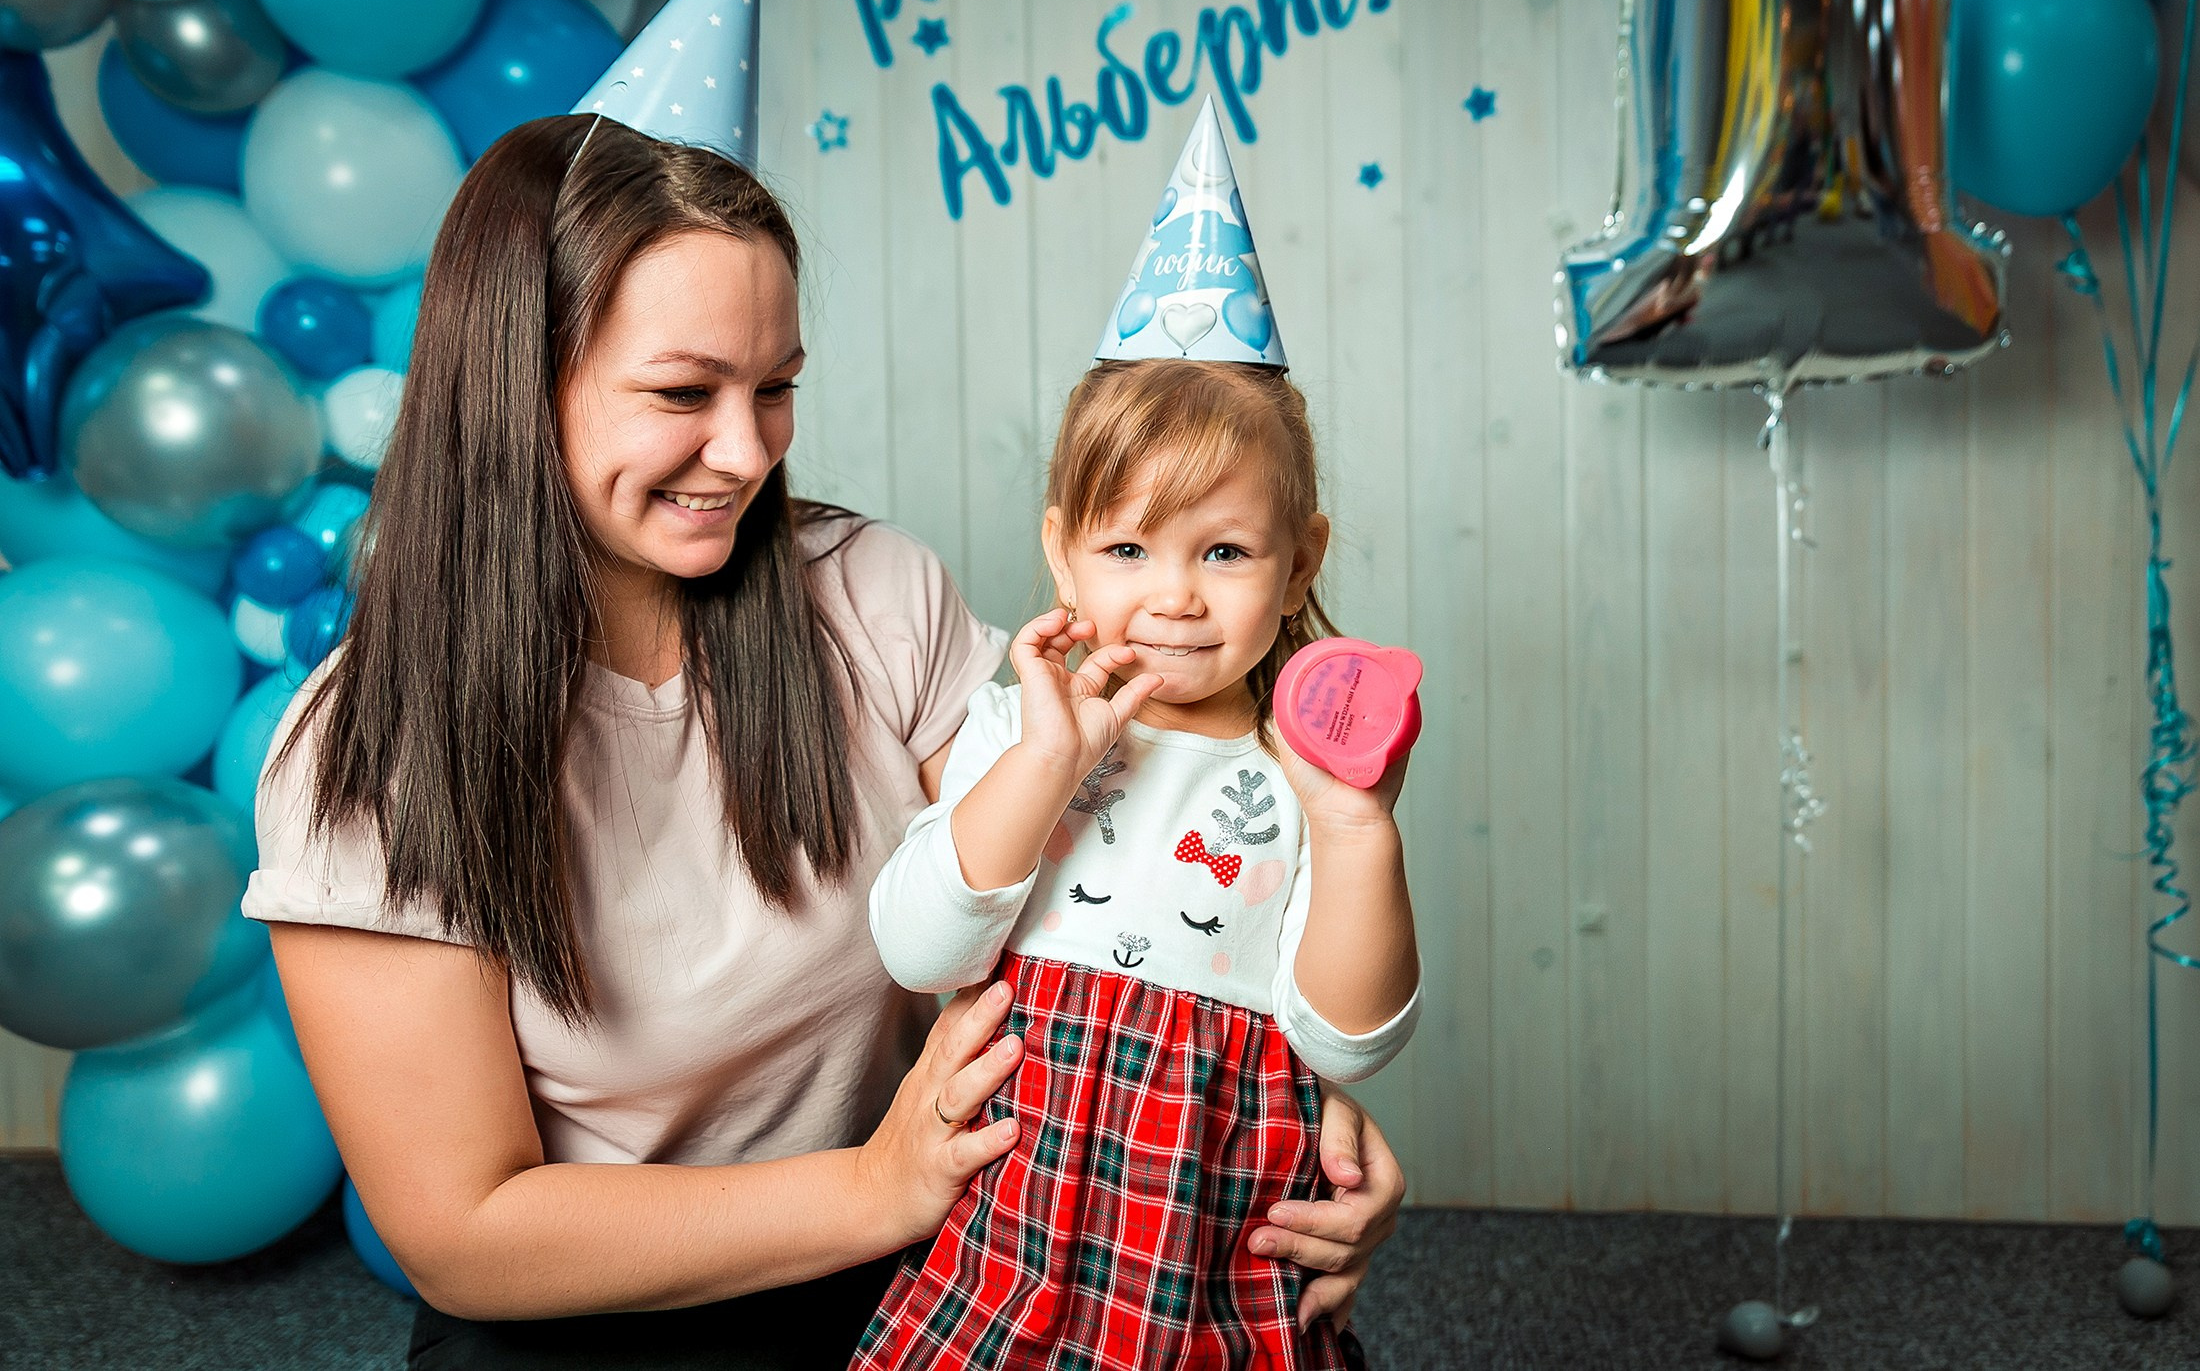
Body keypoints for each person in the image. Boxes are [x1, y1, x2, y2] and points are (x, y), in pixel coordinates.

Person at [243, 104, 1403, 1371]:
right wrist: (870, 1186)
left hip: (946, 1244)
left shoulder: (869, 588)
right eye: (683, 391)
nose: (745, 452)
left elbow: (1085, 895)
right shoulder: (365, 750)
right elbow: (464, 1234)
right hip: (602, 1308)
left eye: (776, 387)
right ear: (517, 381)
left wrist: (1283, 1102)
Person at [854, 102, 1420, 1369]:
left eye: (1222, 551)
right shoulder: (1020, 721)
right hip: (1011, 1202)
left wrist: (1356, 826)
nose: (1171, 595)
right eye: (1125, 548)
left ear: (1297, 564)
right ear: (1062, 547)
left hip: (1206, 1219)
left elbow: (1348, 1037)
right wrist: (1047, 760)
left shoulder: (1302, 776)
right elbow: (917, 941)